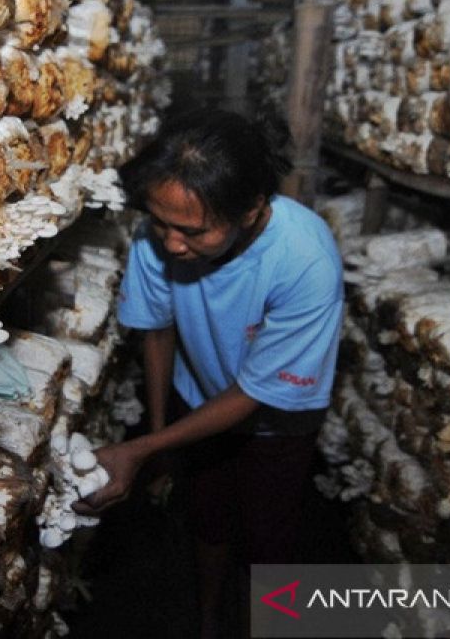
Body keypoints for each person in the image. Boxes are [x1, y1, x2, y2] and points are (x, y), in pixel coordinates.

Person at [73, 108, 343, 637]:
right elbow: (157, 332)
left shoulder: (304, 258)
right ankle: (207, 618)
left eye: (194, 232)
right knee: (208, 518)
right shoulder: (160, 236)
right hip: (196, 400)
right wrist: (159, 437)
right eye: (161, 222)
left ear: (251, 210)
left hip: (275, 423)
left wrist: (141, 451)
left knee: (270, 546)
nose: (172, 244)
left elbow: (253, 395)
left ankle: (265, 626)